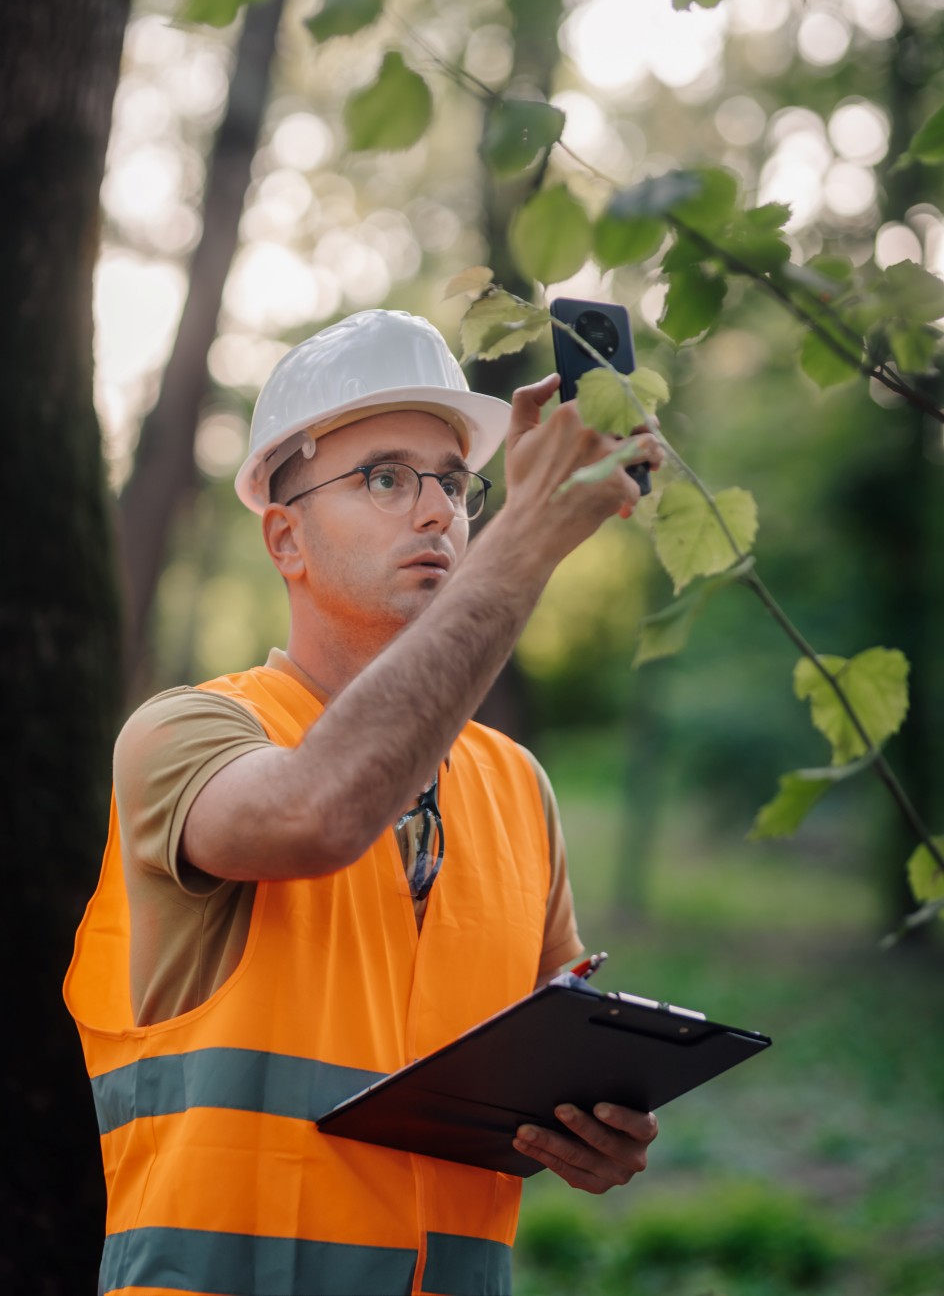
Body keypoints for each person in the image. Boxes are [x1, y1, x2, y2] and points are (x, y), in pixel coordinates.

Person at [65, 308, 664, 1296]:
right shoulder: (182, 738)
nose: (436, 512)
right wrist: (528, 538)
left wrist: (593, 1129)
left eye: (457, 484)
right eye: (386, 477)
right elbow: (318, 812)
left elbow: (554, 1061)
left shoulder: (520, 788)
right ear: (286, 537)